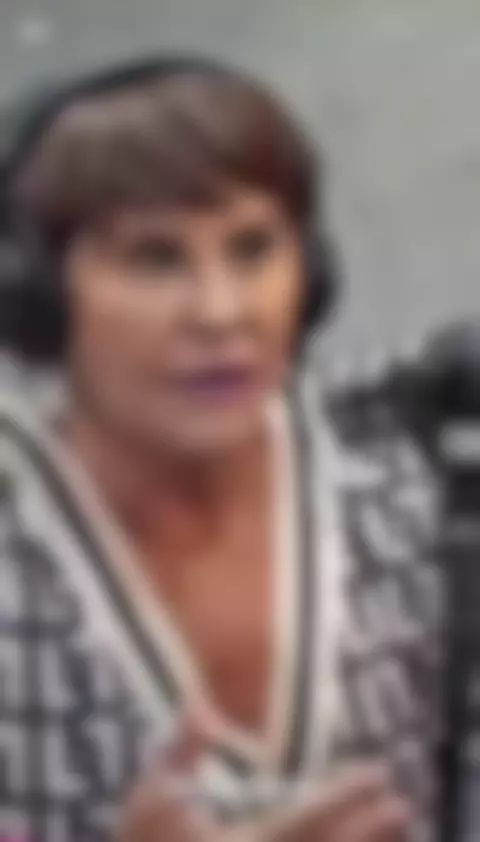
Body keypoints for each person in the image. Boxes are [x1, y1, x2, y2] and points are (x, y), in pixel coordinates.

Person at [0, 56, 442, 842]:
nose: (220, 312)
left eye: (253, 248)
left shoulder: (410, 474)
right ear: (38, 294)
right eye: (155, 258)